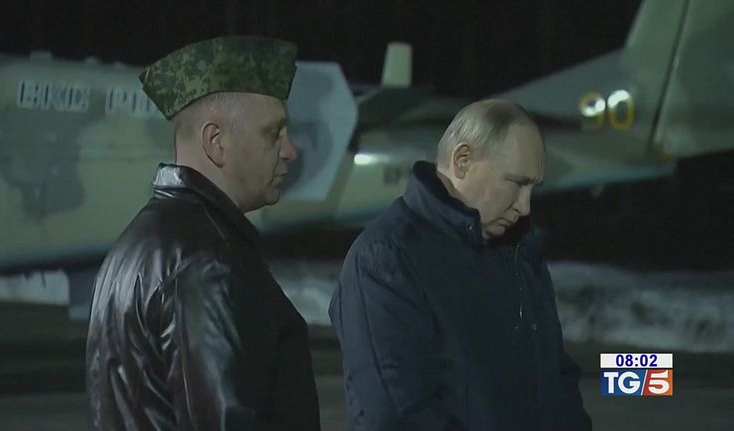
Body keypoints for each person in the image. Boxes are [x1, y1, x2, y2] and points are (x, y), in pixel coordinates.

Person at [86, 36, 321, 431]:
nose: (290, 151)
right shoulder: (208, 262)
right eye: (273, 133)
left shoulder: (134, 245)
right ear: (217, 142)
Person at [329, 100, 591, 430]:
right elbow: (398, 415)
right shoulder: (387, 259)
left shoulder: (519, 253)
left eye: (532, 189)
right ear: (463, 161)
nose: (525, 207)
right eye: (516, 183)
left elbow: (557, 384)